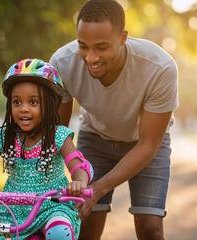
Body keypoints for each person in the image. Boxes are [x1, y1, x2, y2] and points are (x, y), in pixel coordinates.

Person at [49, 0, 178, 239]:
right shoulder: (62, 63)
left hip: (145, 143)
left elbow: (149, 145)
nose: (90, 57)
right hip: (96, 138)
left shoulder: (160, 68)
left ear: (123, 37)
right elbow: (58, 133)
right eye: (83, 46)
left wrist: (97, 188)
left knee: (150, 227)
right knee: (84, 223)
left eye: (101, 47)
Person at [0, 58, 94, 240]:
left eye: (33, 102)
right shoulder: (6, 136)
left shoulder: (57, 136)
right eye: (17, 102)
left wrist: (79, 183)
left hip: (52, 206)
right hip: (14, 209)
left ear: (50, 105)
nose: (23, 109)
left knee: (59, 232)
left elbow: (78, 165)